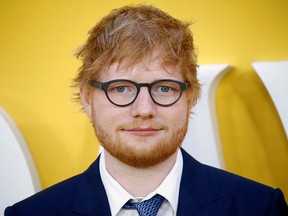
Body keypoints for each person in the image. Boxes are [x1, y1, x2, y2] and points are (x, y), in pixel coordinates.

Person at [4, 4, 288, 216]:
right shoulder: (29, 214)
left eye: (164, 88)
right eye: (121, 88)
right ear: (88, 99)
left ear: (190, 98)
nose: (144, 109)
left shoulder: (260, 207)